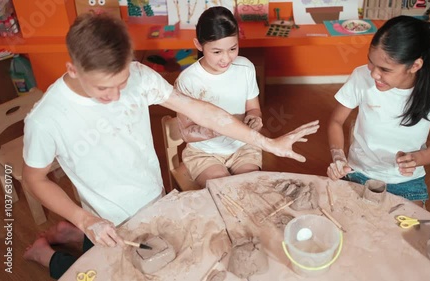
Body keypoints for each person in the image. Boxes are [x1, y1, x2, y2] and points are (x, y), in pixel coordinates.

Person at [22, 13, 319, 279]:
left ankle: (73, 235)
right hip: (103, 215)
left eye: (121, 83)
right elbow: (35, 179)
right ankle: (45, 253)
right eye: (102, 88)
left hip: (156, 200)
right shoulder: (46, 119)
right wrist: (84, 219)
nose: (114, 96)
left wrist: (268, 142)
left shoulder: (139, 75)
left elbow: (203, 112)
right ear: (72, 70)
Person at [326, 16, 430, 206]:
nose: (374, 74)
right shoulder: (361, 77)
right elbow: (336, 121)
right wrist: (338, 156)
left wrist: (416, 158)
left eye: (385, 69)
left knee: (408, 233)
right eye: (371, 62)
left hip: (406, 182)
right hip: (356, 172)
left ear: (415, 65)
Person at [174, 6, 262, 188]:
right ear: (199, 45)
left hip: (242, 147)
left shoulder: (245, 68)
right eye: (217, 52)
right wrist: (226, 126)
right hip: (204, 153)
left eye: (232, 49)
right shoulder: (188, 80)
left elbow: (254, 109)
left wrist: (255, 119)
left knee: (252, 189)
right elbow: (187, 133)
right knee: (225, 191)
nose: (226, 59)